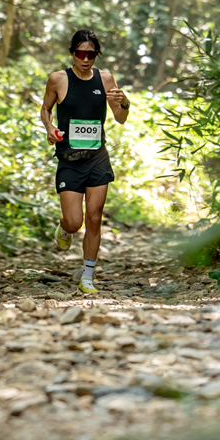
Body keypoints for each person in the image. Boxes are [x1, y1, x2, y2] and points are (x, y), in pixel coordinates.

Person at [40, 27, 130, 295]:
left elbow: (120, 118)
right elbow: (45, 109)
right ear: (72, 53)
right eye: (81, 53)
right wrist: (50, 128)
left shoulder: (105, 79)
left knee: (94, 217)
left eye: (91, 54)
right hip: (70, 159)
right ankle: (64, 228)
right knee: (74, 222)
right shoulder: (58, 79)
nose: (86, 59)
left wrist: (125, 103)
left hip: (97, 158)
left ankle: (87, 277)